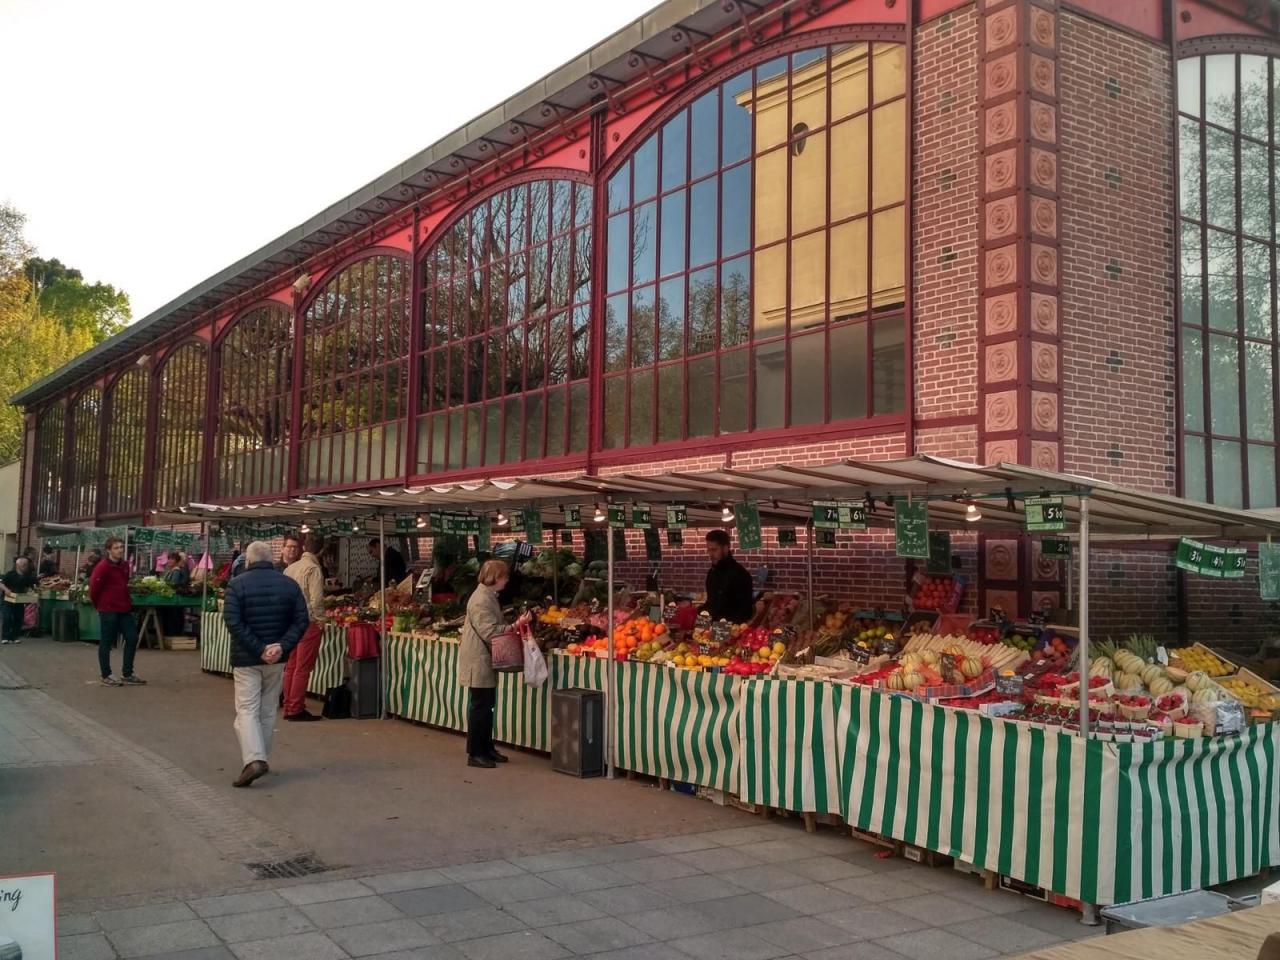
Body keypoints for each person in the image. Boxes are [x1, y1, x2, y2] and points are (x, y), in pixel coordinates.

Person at [222, 540, 309, 787]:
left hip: (247, 658)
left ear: (248, 560)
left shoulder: (236, 585)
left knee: (247, 709)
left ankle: (254, 759)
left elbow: (233, 622)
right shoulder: (289, 585)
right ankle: (262, 757)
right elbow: (302, 620)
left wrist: (259, 649)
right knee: (269, 709)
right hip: (277, 658)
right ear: (272, 559)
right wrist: (282, 646)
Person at [457, 559, 511, 769]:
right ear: (495, 577)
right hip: (478, 659)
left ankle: (487, 747)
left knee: (486, 706)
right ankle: (475, 752)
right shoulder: (481, 599)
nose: (507, 580)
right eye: (504, 576)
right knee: (480, 707)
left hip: (484, 659)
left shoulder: (489, 597)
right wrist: (513, 627)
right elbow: (489, 632)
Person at [89, 537, 145, 686]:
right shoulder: (102, 567)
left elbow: (124, 583)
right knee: (107, 642)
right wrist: (98, 606)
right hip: (108, 610)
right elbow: (94, 589)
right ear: (109, 550)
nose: (120, 550)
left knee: (132, 638)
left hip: (124, 608)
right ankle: (106, 674)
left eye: (121, 547)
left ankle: (128, 673)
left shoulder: (125, 565)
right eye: (116, 548)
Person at [282, 534, 326, 722]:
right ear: (321, 550)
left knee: (291, 665)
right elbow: (316, 600)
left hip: (290, 622)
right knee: (303, 667)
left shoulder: (290, 568)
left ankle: (288, 704)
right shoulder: (313, 569)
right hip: (308, 622)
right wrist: (321, 620)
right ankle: (296, 708)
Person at [702, 529, 755, 624]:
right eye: (708, 550)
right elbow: (711, 603)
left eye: (714, 550)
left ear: (726, 548)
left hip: (732, 632)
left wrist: (727, 628)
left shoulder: (740, 574)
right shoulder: (712, 573)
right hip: (712, 631)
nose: (710, 554)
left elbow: (745, 611)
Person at [0, 557, 36, 644]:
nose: (26, 566)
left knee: (18, 618)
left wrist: (31, 592)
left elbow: (31, 586)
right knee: (7, 617)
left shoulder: (27, 576)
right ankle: (5, 637)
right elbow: (1, 584)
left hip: (19, 600)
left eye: (26, 564)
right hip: (8, 599)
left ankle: (14, 636)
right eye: (24, 565)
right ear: (18, 565)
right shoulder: (10, 574)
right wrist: (6, 590)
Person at [161, 551, 190, 636]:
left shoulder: (176, 571)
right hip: (171, 600)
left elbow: (173, 584)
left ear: (176, 561)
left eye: (172, 559)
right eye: (169, 559)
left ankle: (173, 635)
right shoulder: (171, 570)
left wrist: (164, 586)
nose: (170, 561)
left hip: (174, 600)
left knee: (174, 618)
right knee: (171, 618)